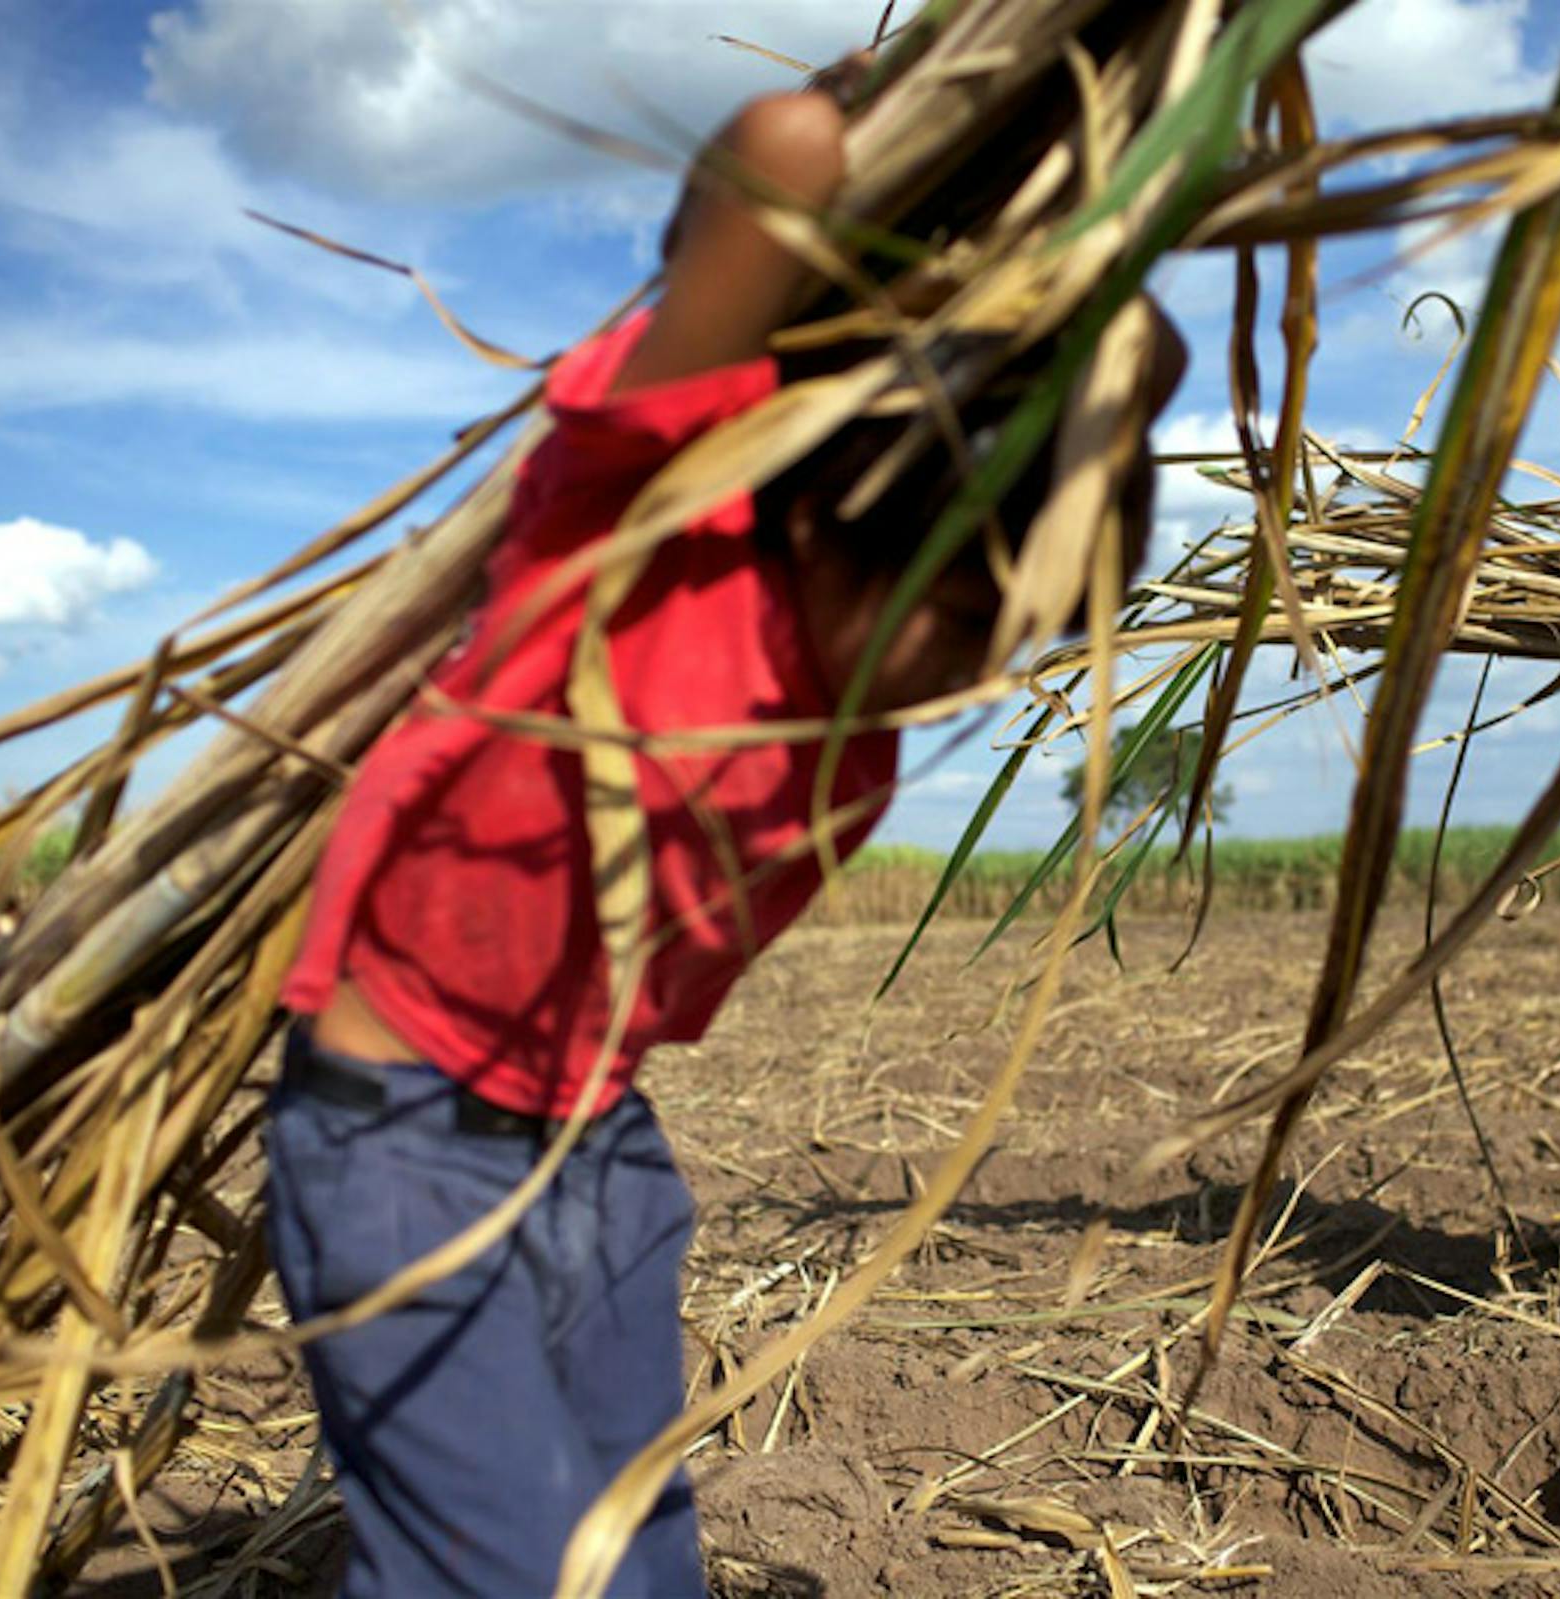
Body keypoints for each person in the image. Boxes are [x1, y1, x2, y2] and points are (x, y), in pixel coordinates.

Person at [262, 71, 1185, 1597]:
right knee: (498, 1573)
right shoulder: (642, 515)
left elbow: (1140, 349)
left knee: (639, 1564)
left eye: (1031, 634)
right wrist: (976, 105)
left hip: (596, 1141)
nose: (983, 666)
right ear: (826, 522)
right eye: (961, 612)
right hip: (401, 1137)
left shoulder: (859, 723)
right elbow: (787, 154)